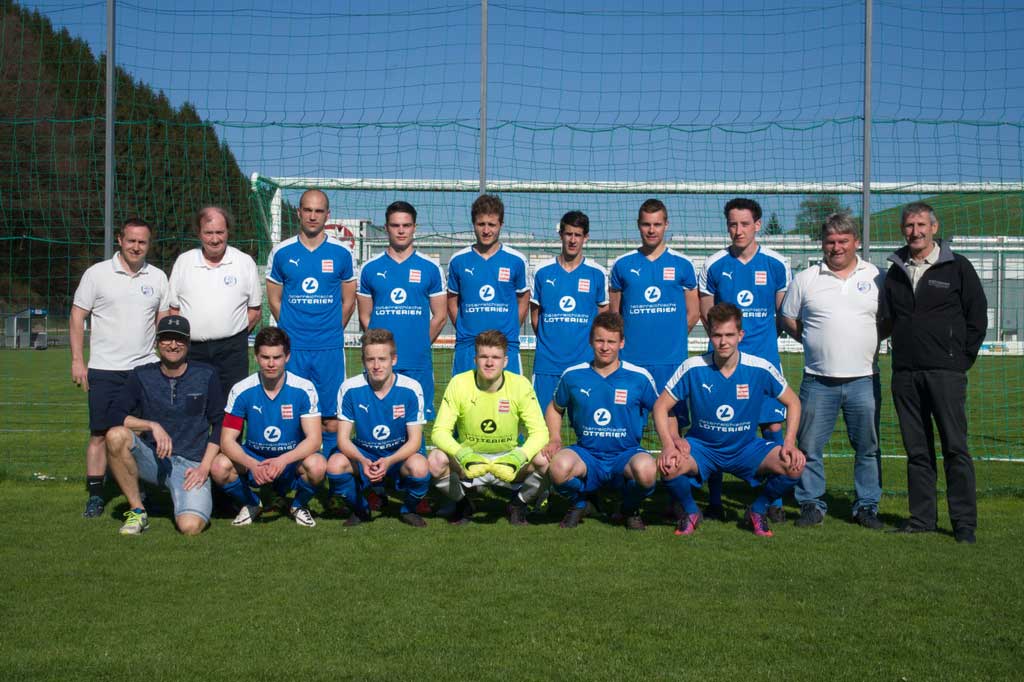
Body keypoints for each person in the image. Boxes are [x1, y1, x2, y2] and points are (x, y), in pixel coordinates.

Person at [879, 202, 987, 544]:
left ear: (934, 228)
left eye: (921, 225)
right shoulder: (895, 270)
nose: (916, 232)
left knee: (955, 448)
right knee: (917, 450)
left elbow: (977, 315)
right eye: (909, 226)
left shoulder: (957, 267)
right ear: (903, 230)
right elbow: (888, 319)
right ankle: (922, 518)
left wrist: (960, 359)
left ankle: (964, 524)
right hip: (906, 374)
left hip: (946, 373)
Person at [653, 303, 805, 538]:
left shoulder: (760, 368)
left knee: (794, 465)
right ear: (710, 335)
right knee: (668, 465)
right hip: (702, 449)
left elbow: (793, 402)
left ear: (740, 335)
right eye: (717, 335)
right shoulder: (693, 367)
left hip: (745, 448)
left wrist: (789, 442)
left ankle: (757, 510)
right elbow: (660, 406)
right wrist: (669, 444)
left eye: (729, 335)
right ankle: (691, 511)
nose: (723, 342)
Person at [780, 212, 885, 530]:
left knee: (868, 448)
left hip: (864, 379)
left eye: (843, 241)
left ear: (856, 242)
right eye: (830, 241)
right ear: (822, 244)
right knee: (809, 446)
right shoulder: (806, 278)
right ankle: (811, 504)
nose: (836, 247)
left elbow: (888, 320)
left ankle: (866, 506)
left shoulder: (876, 276)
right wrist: (813, 339)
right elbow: (788, 317)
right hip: (817, 380)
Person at [698, 198, 791, 521]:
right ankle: (714, 501)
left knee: (772, 425)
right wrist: (727, 346)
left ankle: (774, 503)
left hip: (764, 362)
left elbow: (783, 315)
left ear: (757, 225)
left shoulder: (776, 264)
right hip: (723, 364)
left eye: (744, 224)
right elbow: (707, 315)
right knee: (716, 428)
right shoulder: (714, 265)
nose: (738, 230)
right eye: (732, 224)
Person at [70, 218, 170, 519]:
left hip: (145, 370)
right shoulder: (97, 274)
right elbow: (77, 316)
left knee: (143, 435)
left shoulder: (158, 277)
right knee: (100, 434)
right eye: (131, 241)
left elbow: (163, 322)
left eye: (142, 242)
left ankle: (142, 493)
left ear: (148, 245)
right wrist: (77, 360)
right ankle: (96, 495)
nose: (136, 247)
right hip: (105, 369)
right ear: (120, 240)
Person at [103, 315, 223, 535]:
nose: (173, 345)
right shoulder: (142, 375)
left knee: (190, 527)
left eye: (179, 339)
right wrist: (151, 425)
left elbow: (220, 424)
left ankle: (188, 499)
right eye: (167, 339)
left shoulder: (206, 374)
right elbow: (113, 415)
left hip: (192, 465)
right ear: (157, 342)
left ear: (188, 343)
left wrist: (204, 468)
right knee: (115, 435)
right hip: (154, 460)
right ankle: (137, 511)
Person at [544, 312, 660, 531]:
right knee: (558, 468)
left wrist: (671, 443)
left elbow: (661, 411)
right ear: (591, 341)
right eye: (600, 340)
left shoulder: (639, 376)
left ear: (622, 343)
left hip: (626, 454)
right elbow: (555, 408)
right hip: (587, 454)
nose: (605, 347)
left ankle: (628, 508)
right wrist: (555, 437)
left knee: (647, 472)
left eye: (611, 341)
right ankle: (581, 503)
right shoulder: (573, 375)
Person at [266, 189, 356, 460]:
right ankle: (294, 472)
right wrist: (292, 330)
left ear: (327, 215)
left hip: (329, 348)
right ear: (299, 213)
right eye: (307, 210)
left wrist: (329, 329)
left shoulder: (342, 253)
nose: (313, 216)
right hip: (293, 349)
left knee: (331, 418)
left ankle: (331, 472)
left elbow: (348, 301)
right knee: (291, 413)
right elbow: (274, 299)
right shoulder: (281, 252)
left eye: (319, 211)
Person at [427, 330, 549, 525]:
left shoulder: (520, 385)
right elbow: (439, 432)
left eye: (495, 357)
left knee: (545, 460)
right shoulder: (459, 383)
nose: (489, 363)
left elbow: (540, 433)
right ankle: (463, 503)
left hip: (509, 462)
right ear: (475, 359)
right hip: (469, 461)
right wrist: (463, 454)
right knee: (435, 460)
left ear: (505, 361)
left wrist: (517, 458)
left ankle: (518, 504)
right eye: (484, 357)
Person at [210, 327, 324, 528]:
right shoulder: (241, 389)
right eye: (265, 357)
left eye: (277, 357)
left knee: (318, 465)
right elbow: (227, 441)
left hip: (290, 459)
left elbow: (314, 440)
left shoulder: (304, 388)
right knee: (219, 467)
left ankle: (298, 505)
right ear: (256, 357)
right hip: (254, 458)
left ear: (287, 357)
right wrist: (253, 464)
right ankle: (253, 503)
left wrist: (282, 460)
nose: (271, 364)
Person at [325, 329, 431, 527]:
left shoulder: (411, 388)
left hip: (397, 455)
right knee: (334, 465)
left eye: (382, 359)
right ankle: (361, 508)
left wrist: (389, 460)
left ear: (394, 360)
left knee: (420, 467)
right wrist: (362, 460)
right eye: (370, 359)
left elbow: (415, 441)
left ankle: (408, 509)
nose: (376, 366)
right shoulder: (349, 388)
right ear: (363, 361)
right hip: (365, 454)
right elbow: (343, 439)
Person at [357, 201, 446, 419]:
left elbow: (440, 316)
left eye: (406, 225)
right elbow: (365, 317)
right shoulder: (369, 268)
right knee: (378, 420)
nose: (401, 230)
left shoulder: (431, 268)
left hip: (417, 361)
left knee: (415, 423)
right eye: (395, 225)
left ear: (414, 227)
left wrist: (419, 343)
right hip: (380, 362)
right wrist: (379, 348)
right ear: (386, 228)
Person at [609, 198, 699, 402]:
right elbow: (614, 315)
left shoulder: (683, 264)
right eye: (646, 224)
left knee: (672, 418)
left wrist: (673, 338)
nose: (651, 230)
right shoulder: (622, 264)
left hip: (671, 360)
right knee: (629, 418)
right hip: (631, 359)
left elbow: (694, 313)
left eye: (657, 224)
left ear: (666, 224)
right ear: (638, 225)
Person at [168, 205, 262, 399]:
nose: (215, 239)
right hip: (192, 350)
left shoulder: (244, 262)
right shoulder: (184, 262)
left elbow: (255, 310)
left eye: (220, 232)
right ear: (199, 233)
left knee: (232, 404)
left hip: (232, 352)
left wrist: (233, 334)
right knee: (192, 404)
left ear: (228, 232)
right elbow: (173, 309)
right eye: (208, 233)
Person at [530, 210, 609, 413]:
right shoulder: (541, 271)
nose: (573, 240)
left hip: (584, 364)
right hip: (547, 364)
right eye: (568, 234)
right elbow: (535, 318)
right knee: (543, 424)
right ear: (561, 235)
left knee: (587, 425)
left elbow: (603, 317)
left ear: (586, 237)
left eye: (578, 235)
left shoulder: (597, 273)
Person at [446, 194, 530, 375]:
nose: (486, 230)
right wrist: (463, 327)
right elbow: (452, 299)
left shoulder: (516, 260)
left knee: (509, 394)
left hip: (506, 346)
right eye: (481, 224)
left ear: (501, 225)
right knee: (464, 394)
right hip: (468, 346)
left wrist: (511, 327)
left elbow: (523, 298)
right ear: (473, 224)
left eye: (491, 225)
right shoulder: (458, 260)